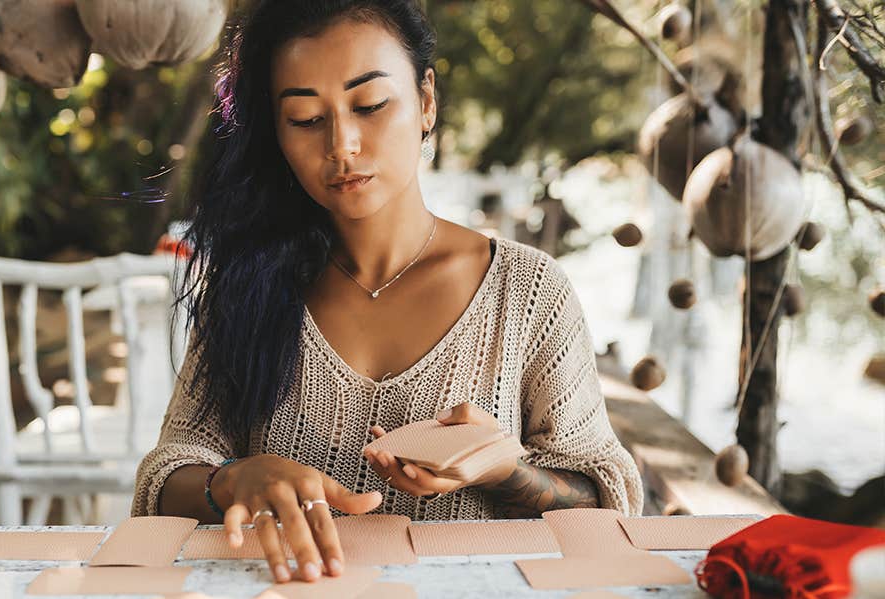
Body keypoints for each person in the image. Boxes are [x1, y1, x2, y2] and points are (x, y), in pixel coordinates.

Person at [132, 0, 643, 584]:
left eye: (370, 105)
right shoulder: (246, 285)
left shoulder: (526, 292)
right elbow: (164, 479)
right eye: (304, 117)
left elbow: (609, 503)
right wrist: (231, 479)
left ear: (426, 101)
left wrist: (506, 470)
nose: (342, 144)